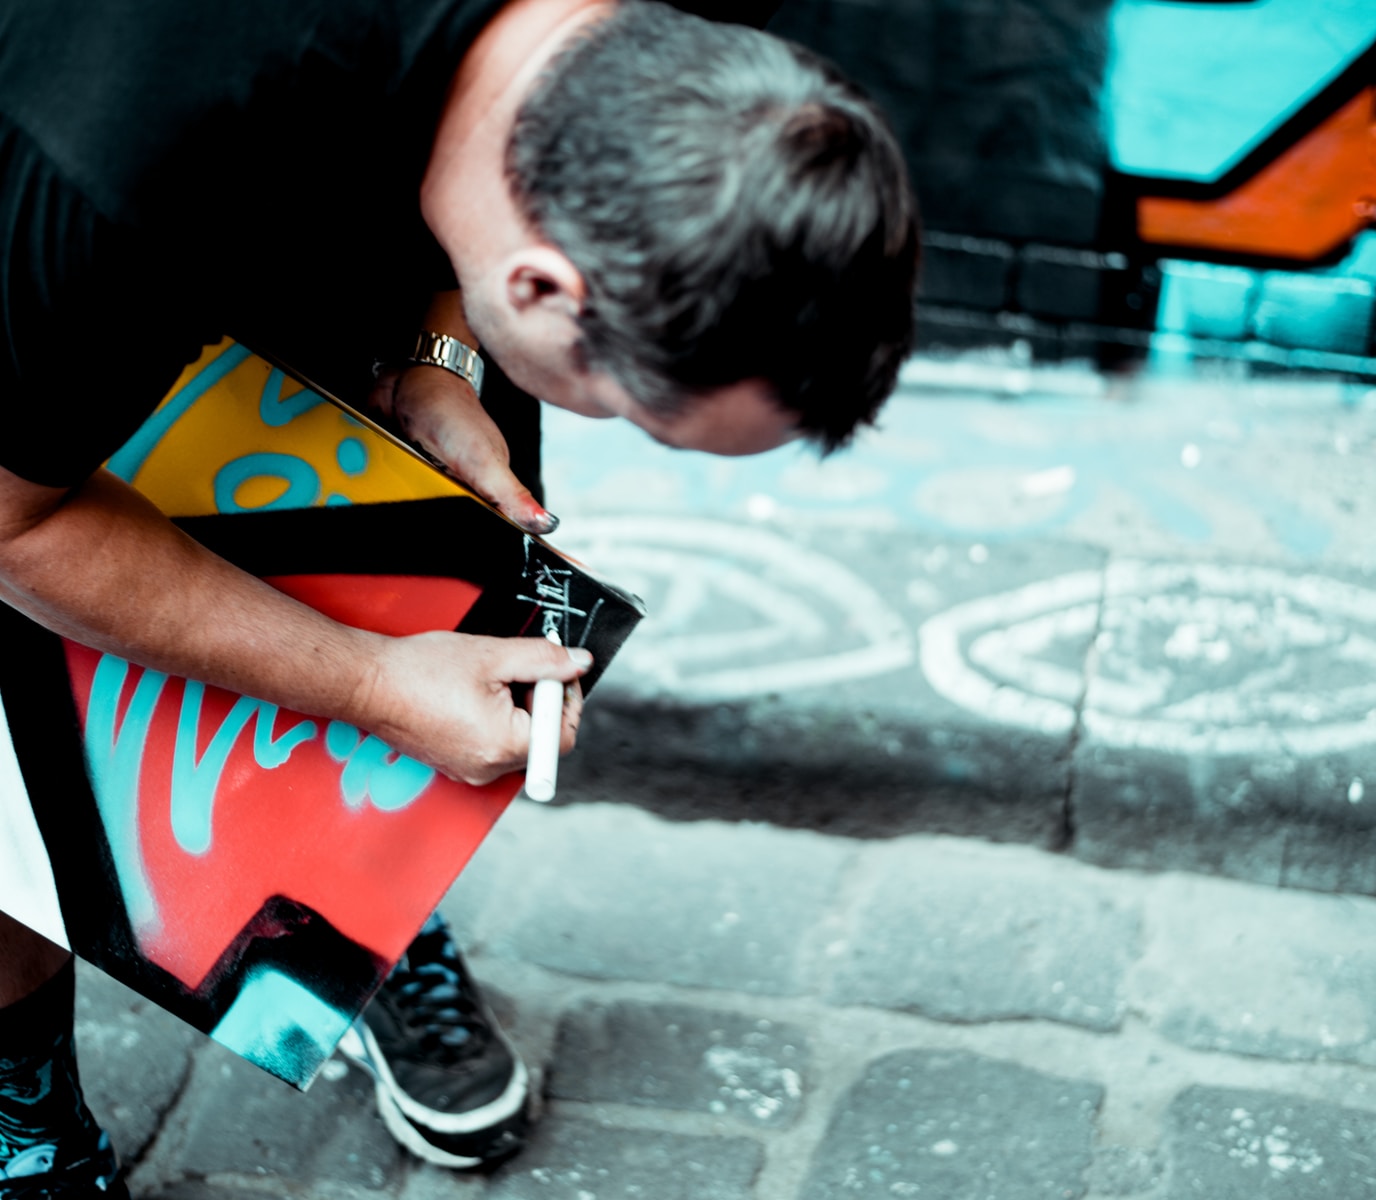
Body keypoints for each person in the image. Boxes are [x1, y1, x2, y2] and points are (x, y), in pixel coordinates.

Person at [0, 0, 919, 1191]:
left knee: (411, 545)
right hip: (52, 280)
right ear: (539, 288)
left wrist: (435, 354)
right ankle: (24, 1117)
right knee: (21, 740)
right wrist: (372, 685)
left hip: (285, 209)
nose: (624, 431)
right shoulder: (105, 177)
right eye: (640, 417)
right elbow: (18, 528)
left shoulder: (593, 57)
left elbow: (479, 126)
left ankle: (352, 909)